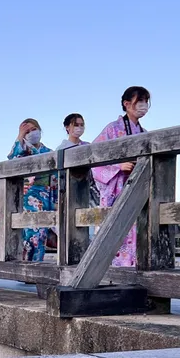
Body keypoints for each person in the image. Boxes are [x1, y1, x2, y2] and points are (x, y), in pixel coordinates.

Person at [91, 86, 151, 267]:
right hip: (116, 186)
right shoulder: (112, 129)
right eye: (139, 101)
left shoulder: (145, 133)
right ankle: (111, 270)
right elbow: (94, 156)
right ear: (126, 104)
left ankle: (133, 269)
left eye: (146, 101)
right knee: (115, 229)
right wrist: (117, 167)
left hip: (137, 185)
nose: (143, 105)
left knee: (137, 228)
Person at [7, 118, 53, 261]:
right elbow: (12, 160)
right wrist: (20, 136)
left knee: (42, 232)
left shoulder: (48, 152)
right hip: (28, 196)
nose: (32, 133)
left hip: (46, 196)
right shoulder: (23, 150)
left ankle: (36, 265)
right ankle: (27, 267)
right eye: (28, 131)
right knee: (29, 232)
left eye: (34, 129)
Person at [56, 112, 99, 205]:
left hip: (88, 184)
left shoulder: (87, 146)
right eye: (76, 125)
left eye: (81, 125)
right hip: (69, 185)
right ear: (67, 127)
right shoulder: (62, 148)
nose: (79, 128)